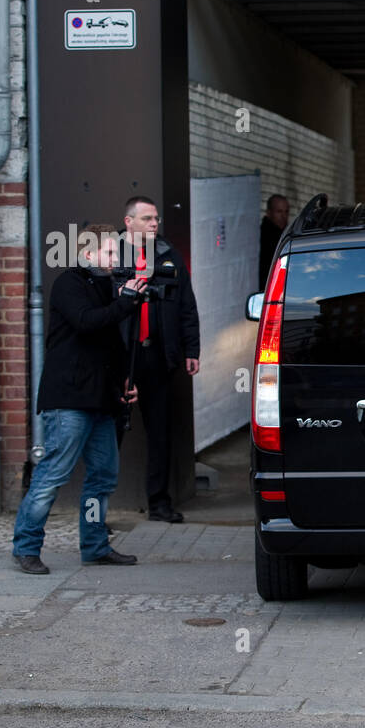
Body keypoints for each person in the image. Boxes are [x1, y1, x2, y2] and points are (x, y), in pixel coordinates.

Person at [12, 225, 146, 574]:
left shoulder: (107, 288)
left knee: (103, 475)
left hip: (102, 400)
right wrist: (125, 303)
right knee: (53, 473)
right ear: (88, 254)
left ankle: (94, 546)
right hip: (69, 399)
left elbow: (111, 342)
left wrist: (125, 381)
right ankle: (26, 547)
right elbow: (88, 323)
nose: (117, 260)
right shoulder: (68, 284)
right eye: (110, 253)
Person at [118, 196, 200, 523]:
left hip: (158, 355)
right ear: (129, 222)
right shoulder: (111, 255)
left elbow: (186, 307)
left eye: (156, 219)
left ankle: (159, 503)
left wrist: (191, 349)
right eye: (147, 218)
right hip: (121, 357)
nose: (155, 224)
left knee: (160, 432)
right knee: (109, 431)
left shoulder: (169, 255)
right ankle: (95, 511)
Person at [258, 194, 290, 292]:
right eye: (279, 211)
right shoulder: (262, 236)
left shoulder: (287, 236)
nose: (283, 216)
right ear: (269, 213)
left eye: (286, 212)